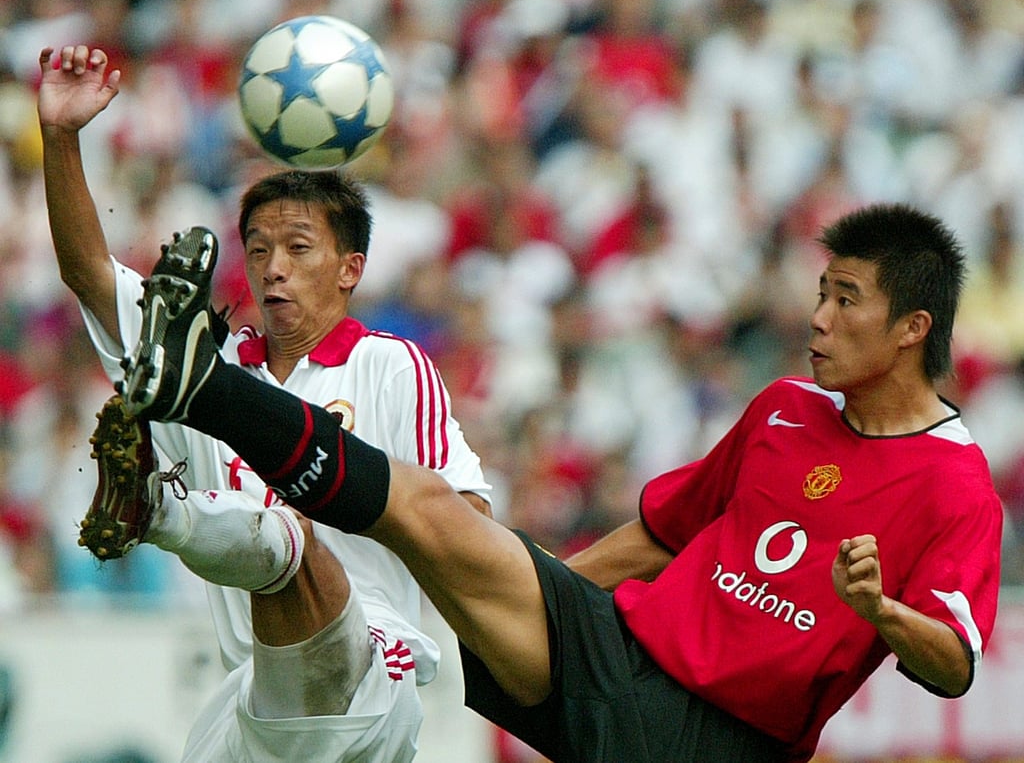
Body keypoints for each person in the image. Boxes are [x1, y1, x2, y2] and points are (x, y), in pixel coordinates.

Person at [115, 194, 1003, 762]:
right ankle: (202, 388)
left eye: (846, 299)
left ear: (911, 328)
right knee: (431, 508)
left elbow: (955, 664)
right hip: (622, 652)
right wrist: (532, 592)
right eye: (821, 293)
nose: (818, 318)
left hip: (719, 740)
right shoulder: (783, 407)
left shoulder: (956, 483)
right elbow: (659, 536)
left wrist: (881, 610)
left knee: (433, 522)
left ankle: (188, 449)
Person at [37, 45, 492, 762]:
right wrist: (61, 136)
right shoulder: (198, 370)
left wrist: (367, 498)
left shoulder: (390, 366)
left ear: (350, 269)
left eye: (298, 248)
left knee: (291, 534)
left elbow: (471, 522)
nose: (274, 267)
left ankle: (159, 512)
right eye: (257, 249)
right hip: (253, 703)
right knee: (276, 537)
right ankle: (168, 513)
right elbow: (90, 274)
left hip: (370, 684)